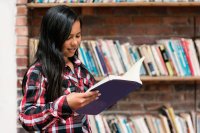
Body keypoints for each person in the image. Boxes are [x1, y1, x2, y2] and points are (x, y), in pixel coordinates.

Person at [19, 5, 100, 132]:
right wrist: (65, 105)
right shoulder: (38, 72)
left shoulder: (80, 68)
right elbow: (27, 119)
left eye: (78, 36)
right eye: (68, 37)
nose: (75, 43)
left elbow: (96, 96)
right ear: (52, 38)